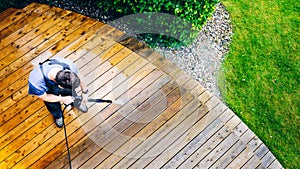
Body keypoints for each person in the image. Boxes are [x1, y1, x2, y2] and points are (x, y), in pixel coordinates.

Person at [28, 57, 88, 128]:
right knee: (52, 104)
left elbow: (79, 76)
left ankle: (75, 102)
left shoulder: (68, 65)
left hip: (59, 84)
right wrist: (62, 99)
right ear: (60, 86)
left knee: (71, 92)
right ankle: (58, 115)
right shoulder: (36, 83)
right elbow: (45, 97)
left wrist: (85, 92)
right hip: (48, 92)